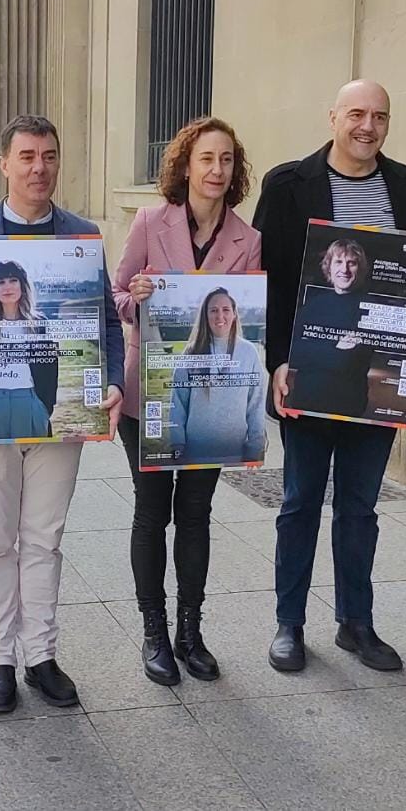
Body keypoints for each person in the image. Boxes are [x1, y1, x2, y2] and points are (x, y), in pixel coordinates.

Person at [0, 115, 125, 714]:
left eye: (50, 156)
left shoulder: (82, 237)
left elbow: (104, 324)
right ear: (3, 164)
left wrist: (109, 382)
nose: (40, 167)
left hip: (58, 415)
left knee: (45, 538)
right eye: (28, 156)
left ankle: (40, 655)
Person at [254, 79, 406, 675]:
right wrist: (277, 363)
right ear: (333, 116)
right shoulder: (287, 185)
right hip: (309, 372)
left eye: (380, 116)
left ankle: (355, 623)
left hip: (377, 373)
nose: (368, 126)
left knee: (361, 506)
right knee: (300, 501)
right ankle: (289, 624)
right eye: (357, 114)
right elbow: (269, 281)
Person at [111, 115, 262, 685]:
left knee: (195, 513)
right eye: (207, 159)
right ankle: (153, 632)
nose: (217, 170)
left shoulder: (249, 239)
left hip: (215, 400)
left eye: (226, 160)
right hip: (147, 389)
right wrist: (137, 297)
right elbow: (115, 293)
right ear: (186, 165)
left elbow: (245, 320)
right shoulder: (151, 222)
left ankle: (190, 631)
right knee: (152, 512)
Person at [0, 260, 59, 439]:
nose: (7, 287)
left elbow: (50, 369)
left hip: (29, 402)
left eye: (13, 280)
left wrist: (44, 407)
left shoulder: (39, 323)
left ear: (23, 285)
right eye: (1, 282)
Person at [169, 288, 266, 465]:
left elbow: (256, 404)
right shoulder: (192, 352)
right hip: (195, 450)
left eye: (225, 310)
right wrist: (177, 443)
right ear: (205, 316)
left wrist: (255, 446)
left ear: (234, 314)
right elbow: (178, 402)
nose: (219, 316)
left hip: (235, 451)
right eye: (213, 310)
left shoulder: (249, 352)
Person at [285, 237, 375, 417]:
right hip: (305, 403)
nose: (345, 269)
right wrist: (336, 348)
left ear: (361, 268)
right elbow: (293, 354)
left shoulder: (370, 310)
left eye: (352, 263)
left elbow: (347, 362)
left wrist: (315, 350)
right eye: (339, 262)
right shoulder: (312, 305)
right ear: (329, 266)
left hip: (349, 406)